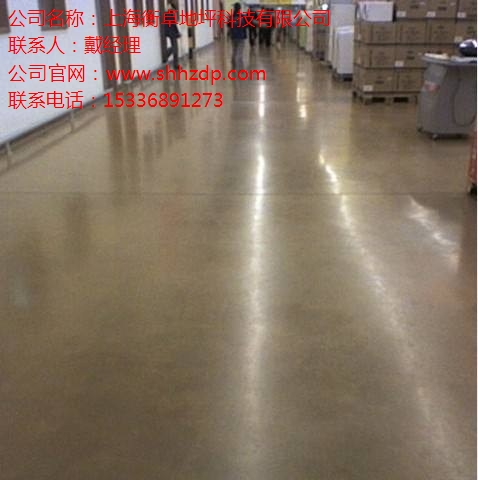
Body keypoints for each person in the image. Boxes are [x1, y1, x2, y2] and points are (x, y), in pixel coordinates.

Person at [228, 2, 247, 70]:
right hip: (241, 36)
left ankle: (233, 67)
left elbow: (229, 25)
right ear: (240, 8)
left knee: (234, 51)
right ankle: (238, 68)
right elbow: (245, 26)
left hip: (233, 36)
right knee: (239, 53)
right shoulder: (242, 16)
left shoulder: (231, 17)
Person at [164, 0, 181, 69]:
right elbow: (173, 24)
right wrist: (178, 33)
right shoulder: (170, 13)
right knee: (175, 49)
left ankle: (175, 64)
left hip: (171, 33)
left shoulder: (167, 13)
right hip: (172, 33)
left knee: (175, 49)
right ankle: (166, 54)